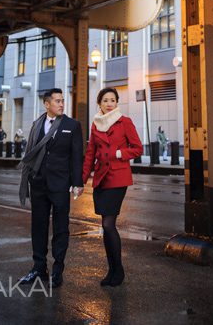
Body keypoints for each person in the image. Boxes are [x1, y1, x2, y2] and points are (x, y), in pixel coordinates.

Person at [18, 88, 84, 288]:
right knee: (38, 226)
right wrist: (30, 177)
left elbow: (76, 156)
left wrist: (77, 182)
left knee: (61, 228)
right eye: (57, 101)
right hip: (38, 183)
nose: (61, 104)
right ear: (47, 104)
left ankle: (58, 269)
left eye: (62, 101)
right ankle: (39, 267)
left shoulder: (72, 125)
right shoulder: (37, 124)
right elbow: (31, 151)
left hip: (60, 184)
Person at [82, 87, 142, 287]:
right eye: (105, 100)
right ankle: (112, 270)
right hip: (101, 179)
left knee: (109, 224)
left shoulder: (125, 122)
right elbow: (90, 153)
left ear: (117, 103)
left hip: (117, 177)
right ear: (99, 103)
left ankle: (119, 271)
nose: (109, 103)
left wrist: (118, 154)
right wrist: (81, 180)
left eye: (113, 100)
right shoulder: (96, 125)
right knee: (105, 227)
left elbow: (137, 148)